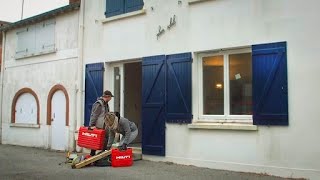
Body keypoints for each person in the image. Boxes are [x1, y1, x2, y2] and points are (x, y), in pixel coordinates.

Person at [88, 90, 114, 156]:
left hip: (105, 126)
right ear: (107, 97)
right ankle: (92, 155)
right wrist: (91, 125)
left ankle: (103, 155)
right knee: (96, 142)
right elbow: (94, 115)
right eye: (110, 97)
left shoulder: (106, 104)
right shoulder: (99, 104)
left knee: (105, 140)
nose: (111, 99)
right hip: (98, 126)